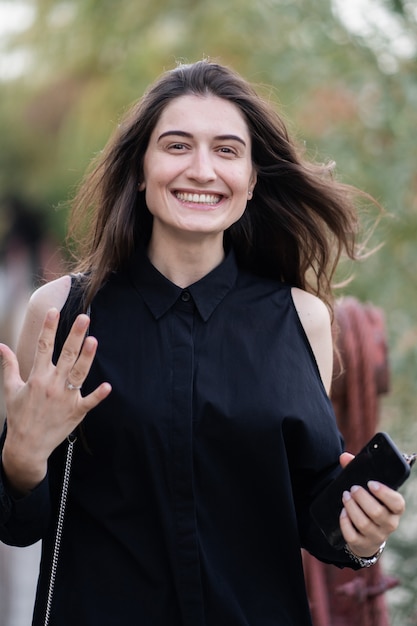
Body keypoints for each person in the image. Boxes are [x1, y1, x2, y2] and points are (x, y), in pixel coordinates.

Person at [0, 60, 406, 626]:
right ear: (141, 169)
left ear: (252, 177)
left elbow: (317, 521)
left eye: (226, 150)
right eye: (176, 145)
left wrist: (363, 533)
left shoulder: (301, 317)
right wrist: (20, 459)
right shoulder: (62, 314)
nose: (201, 169)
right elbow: (18, 527)